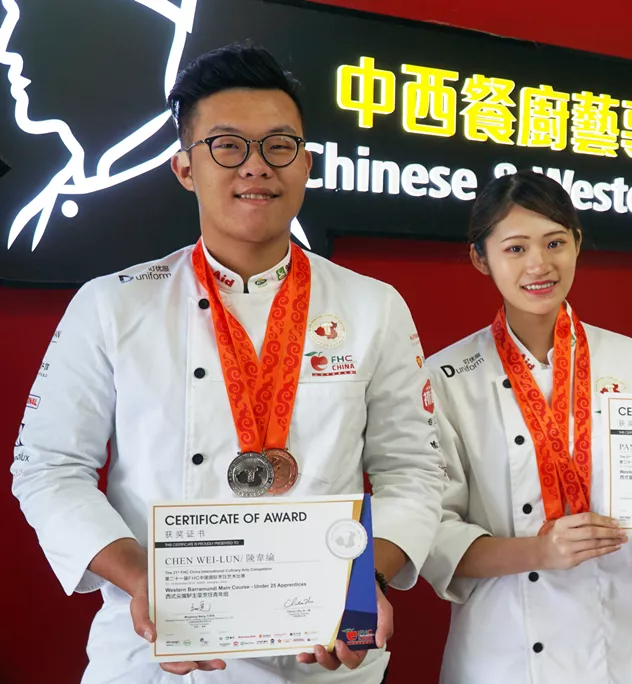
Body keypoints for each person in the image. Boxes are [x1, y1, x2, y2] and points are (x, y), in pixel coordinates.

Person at [10, 44, 445, 683]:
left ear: (306, 164)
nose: (256, 166)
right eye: (227, 146)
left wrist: (363, 582)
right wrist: (141, 579)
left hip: (321, 649)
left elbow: (414, 470)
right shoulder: (112, 304)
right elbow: (48, 467)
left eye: (279, 146)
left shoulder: (373, 306)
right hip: (155, 651)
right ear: (185, 168)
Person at [420, 170, 632, 684]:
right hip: (505, 652)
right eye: (515, 248)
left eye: (555, 243)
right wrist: (540, 551)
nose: (539, 265)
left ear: (577, 243)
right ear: (481, 258)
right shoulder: (446, 377)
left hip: (630, 648)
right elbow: (433, 532)